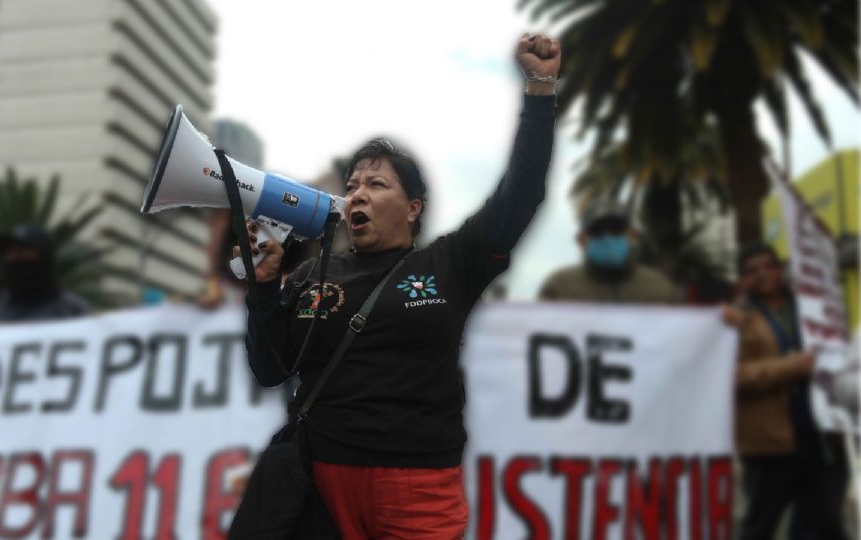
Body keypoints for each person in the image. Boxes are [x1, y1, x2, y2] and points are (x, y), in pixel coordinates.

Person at [238, 33, 560, 538]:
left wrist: (540, 91)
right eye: (351, 187)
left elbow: (522, 193)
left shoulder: (451, 261)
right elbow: (269, 371)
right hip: (318, 483)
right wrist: (262, 291)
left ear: (414, 208)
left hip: (417, 486)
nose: (356, 196)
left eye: (376, 184)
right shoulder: (312, 274)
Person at [728, 243, 849, 540]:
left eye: (768, 266)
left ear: (780, 269)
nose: (761, 274)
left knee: (828, 524)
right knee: (759, 527)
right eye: (751, 271)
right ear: (742, 280)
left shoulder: (811, 310)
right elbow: (735, 376)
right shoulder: (736, 320)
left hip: (821, 436)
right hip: (770, 443)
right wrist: (792, 367)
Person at [538, 199, 679, 303]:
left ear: (633, 236)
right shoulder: (559, 287)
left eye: (616, 230)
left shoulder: (660, 289)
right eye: (597, 232)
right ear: (581, 240)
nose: (607, 238)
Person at [0, 224, 91, 323]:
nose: (12, 258)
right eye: (8, 253)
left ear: (44, 259)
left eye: (20, 252)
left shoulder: (73, 311)